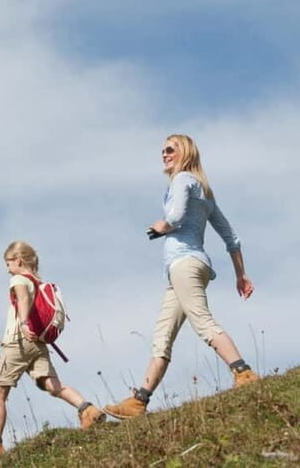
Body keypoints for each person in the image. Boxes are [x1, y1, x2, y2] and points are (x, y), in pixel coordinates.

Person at [103, 134, 259, 420]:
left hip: (184, 264)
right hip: (187, 269)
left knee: (202, 321)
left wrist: (162, 225)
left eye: (170, 149)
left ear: (185, 152)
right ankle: (139, 401)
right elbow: (231, 237)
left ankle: (243, 372)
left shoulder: (182, 179)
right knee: (162, 336)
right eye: (162, 150)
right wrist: (241, 275)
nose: (164, 154)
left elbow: (174, 216)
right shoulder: (205, 191)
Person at [0, 241, 105, 458]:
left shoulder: (19, 279)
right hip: (38, 344)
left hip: (18, 342)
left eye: (8, 263)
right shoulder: (38, 282)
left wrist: (22, 323)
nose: (7, 268)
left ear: (18, 260)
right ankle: (87, 409)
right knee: (50, 384)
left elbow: (21, 298)